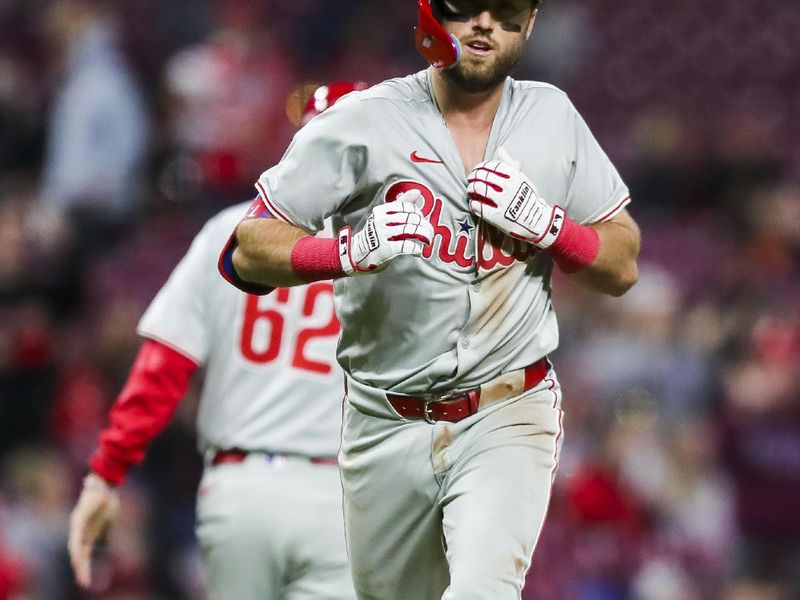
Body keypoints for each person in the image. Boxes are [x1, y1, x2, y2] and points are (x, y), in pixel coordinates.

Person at [221, 1, 641, 598]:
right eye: (467, 6)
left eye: (507, 11)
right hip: (384, 419)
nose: (485, 24)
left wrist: (554, 228)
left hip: (508, 407)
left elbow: (621, 262)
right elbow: (246, 250)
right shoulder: (362, 121)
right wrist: (345, 250)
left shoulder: (552, 116)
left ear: (531, 22)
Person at [67, 83, 366, 600]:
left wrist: (108, 471)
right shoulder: (389, 250)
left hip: (239, 489)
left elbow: (164, 364)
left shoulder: (230, 231)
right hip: (336, 497)